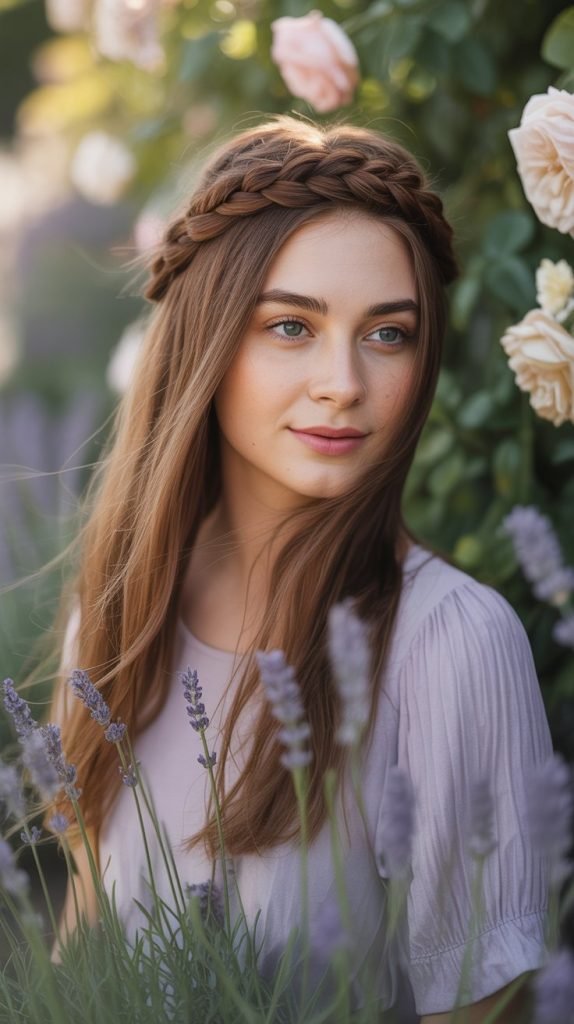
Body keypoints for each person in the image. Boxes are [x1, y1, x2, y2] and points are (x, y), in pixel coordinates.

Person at [48, 114, 552, 1022]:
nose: (344, 382)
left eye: (387, 334)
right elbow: (80, 972)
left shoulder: (451, 648)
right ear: (206, 341)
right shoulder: (119, 616)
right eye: (291, 325)